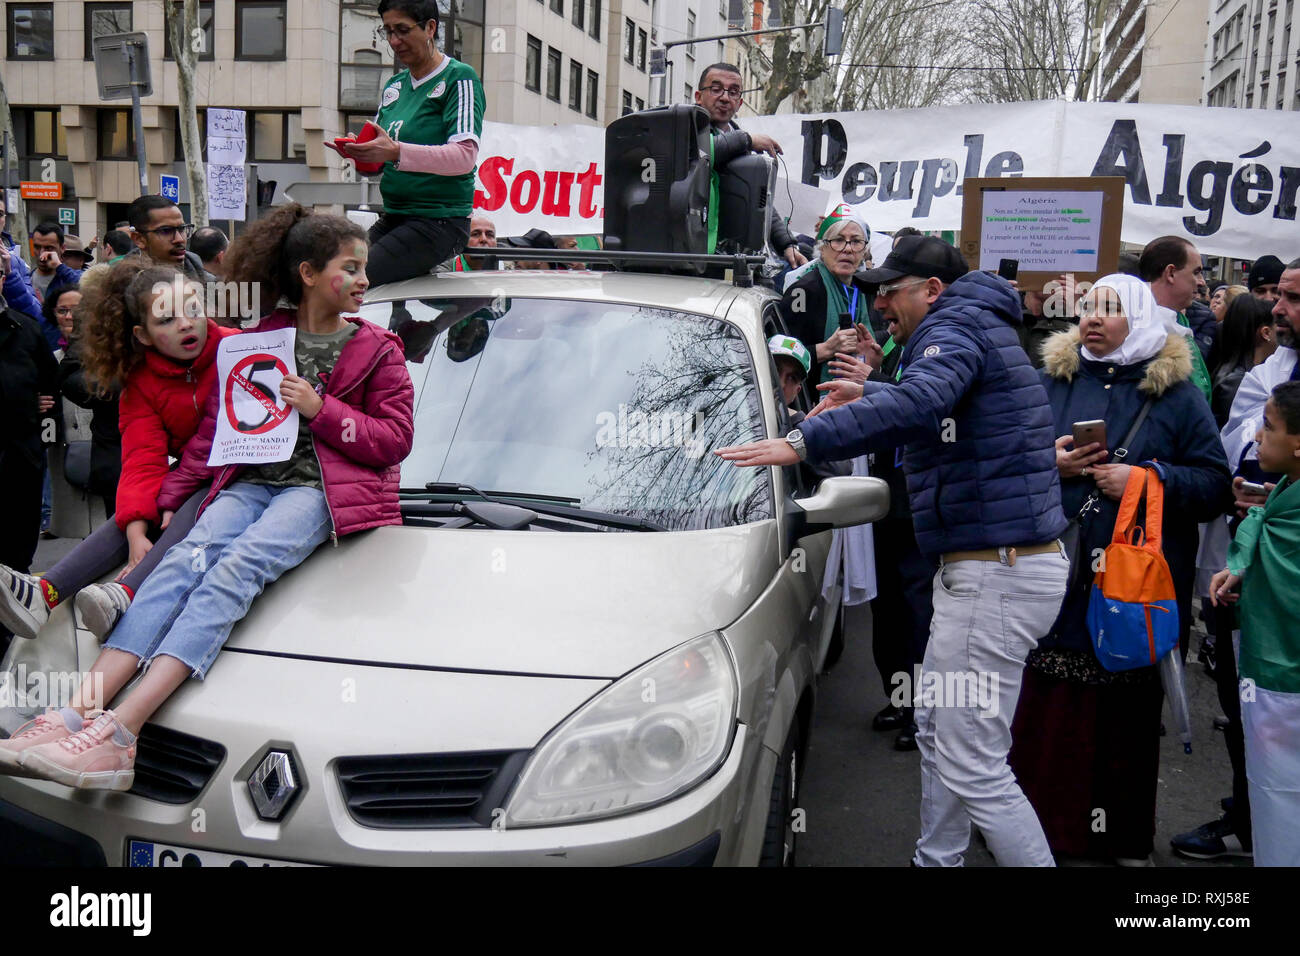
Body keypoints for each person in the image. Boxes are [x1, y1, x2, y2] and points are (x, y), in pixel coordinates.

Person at [0, 206, 414, 790]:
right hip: (247, 484)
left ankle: (120, 733)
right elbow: (219, 435)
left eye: (363, 267)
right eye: (352, 267)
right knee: (176, 567)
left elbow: (394, 441)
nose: (364, 280)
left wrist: (322, 411)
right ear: (308, 273)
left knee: (232, 572)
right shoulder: (258, 342)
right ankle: (74, 711)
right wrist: (166, 499)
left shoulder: (379, 349)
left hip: (319, 492)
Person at [717, 236, 1070, 867]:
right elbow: (944, 408)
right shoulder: (974, 327)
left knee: (974, 762)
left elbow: (927, 401)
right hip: (992, 569)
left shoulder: (952, 327)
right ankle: (936, 860)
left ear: (931, 291)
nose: (881, 302)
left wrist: (803, 440)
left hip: (995, 573)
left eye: (893, 289)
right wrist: (874, 393)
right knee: (940, 734)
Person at [1006, 274, 1232, 865]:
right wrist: (1050, 463)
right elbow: (1008, 459)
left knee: (1125, 711)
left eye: (1109, 309)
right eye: (1086, 308)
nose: (1093, 319)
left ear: (1139, 317)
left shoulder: (1176, 393)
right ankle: (1038, 834)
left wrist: (1148, 480)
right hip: (1056, 571)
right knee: (1049, 704)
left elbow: (1214, 486)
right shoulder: (1050, 379)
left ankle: (1120, 836)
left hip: (1135, 584)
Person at [0, 262, 238, 644]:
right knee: (141, 513)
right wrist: (135, 530)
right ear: (142, 336)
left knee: (186, 503)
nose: (186, 324)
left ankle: (124, 593)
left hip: (241, 474)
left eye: (194, 310)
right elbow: (143, 460)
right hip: (193, 476)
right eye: (167, 319)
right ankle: (44, 593)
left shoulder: (237, 348)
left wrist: (169, 495)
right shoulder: (140, 383)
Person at [1177, 255, 1300, 860]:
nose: (1279, 310)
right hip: (1242, 568)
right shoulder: (1271, 369)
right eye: (1280, 296)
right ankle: (1249, 820)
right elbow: (1238, 444)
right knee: (1242, 705)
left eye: (1295, 299)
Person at [1210, 381, 1300, 867]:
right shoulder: (1280, 503)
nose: (1257, 438)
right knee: (1272, 801)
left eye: (1268, 427)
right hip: (1267, 676)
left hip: (1289, 681)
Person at [339, 0, 485, 288]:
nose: (394, 41)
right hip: (395, 216)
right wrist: (360, 154)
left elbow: (465, 156)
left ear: (431, 27)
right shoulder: (395, 86)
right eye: (388, 31)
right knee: (332, 273)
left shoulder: (460, 78)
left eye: (403, 30)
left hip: (439, 221)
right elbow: (379, 162)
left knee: (353, 282)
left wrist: (396, 151)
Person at [694, 63, 805, 270]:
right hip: (691, 259)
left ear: (740, 102)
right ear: (698, 96)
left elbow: (762, 203)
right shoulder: (685, 131)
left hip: (730, 261)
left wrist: (787, 243)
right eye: (716, 89)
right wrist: (746, 139)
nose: (725, 97)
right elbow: (701, 154)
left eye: (733, 92)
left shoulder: (741, 146)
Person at [777, 205, 878, 404]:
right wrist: (826, 349)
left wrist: (873, 361)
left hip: (856, 404)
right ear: (822, 247)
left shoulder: (866, 292)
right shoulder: (804, 291)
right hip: (809, 408)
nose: (847, 248)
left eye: (856, 241)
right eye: (838, 240)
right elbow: (778, 360)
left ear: (864, 250)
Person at [0, 288, 59, 596]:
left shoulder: (24, 327)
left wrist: (44, 438)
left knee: (17, 552)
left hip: (21, 453)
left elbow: (49, 382)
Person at [1139, 235, 1213, 399]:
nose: (1201, 282)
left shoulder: (1179, 321)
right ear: (1171, 273)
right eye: (1196, 273)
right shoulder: (1133, 331)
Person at [1212, 295, 1278, 428]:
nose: (1282, 331)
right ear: (1266, 333)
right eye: (1279, 325)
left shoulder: (1241, 374)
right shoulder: (1237, 382)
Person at [126, 196, 208, 280]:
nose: (179, 239)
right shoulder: (120, 285)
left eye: (181, 229)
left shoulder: (209, 284)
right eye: (166, 231)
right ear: (139, 239)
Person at [29, 221, 83, 303]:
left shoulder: (71, 277)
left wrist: (59, 266)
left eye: (49, 248)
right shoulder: (26, 279)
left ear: (62, 248)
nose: (41, 254)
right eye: (37, 247)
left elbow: (89, 289)